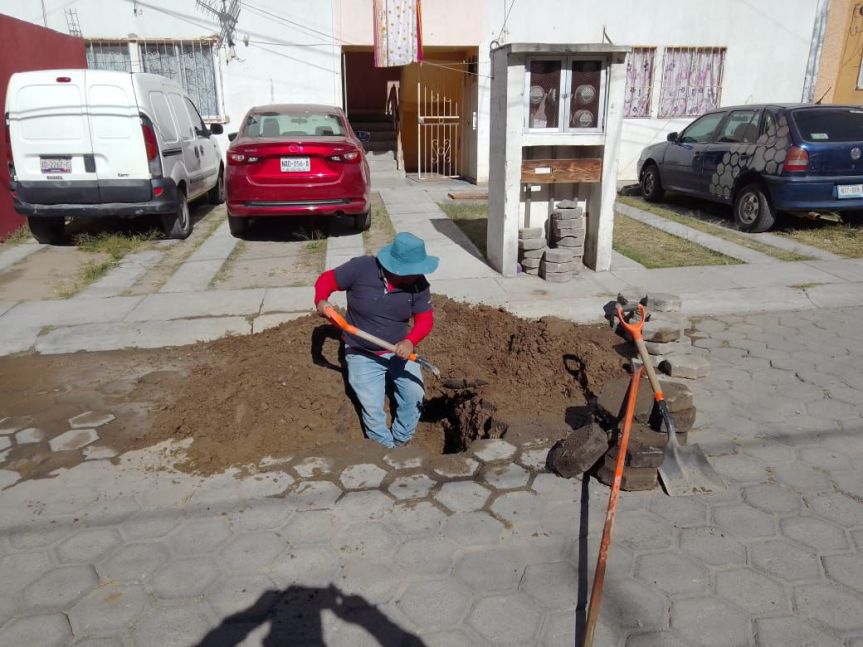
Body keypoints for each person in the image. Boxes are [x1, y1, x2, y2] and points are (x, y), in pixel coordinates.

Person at [314, 232, 438, 449]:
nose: (416, 275)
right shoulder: (361, 268)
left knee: (415, 394)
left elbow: (425, 320)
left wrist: (410, 341)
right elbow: (326, 280)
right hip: (361, 352)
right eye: (412, 271)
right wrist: (322, 300)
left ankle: (401, 441)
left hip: (399, 349)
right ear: (395, 265)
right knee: (372, 407)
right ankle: (385, 451)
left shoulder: (418, 284)